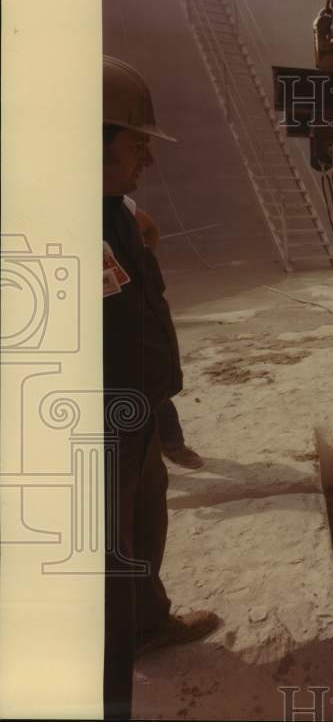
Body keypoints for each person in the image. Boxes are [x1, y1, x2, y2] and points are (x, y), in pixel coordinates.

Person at [102, 56, 219, 719]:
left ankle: (148, 622)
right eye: (136, 145)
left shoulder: (115, 211)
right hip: (102, 416)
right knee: (108, 546)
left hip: (140, 406)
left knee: (145, 522)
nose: (147, 160)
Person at [121, 195, 205, 470]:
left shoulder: (117, 203)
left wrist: (142, 267)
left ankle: (172, 444)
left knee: (149, 377)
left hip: (127, 306)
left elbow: (150, 228)